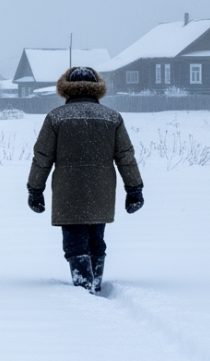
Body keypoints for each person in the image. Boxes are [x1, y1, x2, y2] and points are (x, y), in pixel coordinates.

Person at [26, 67, 144, 293]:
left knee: (74, 242)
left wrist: (35, 189)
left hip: (68, 191)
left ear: (66, 89)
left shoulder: (56, 118)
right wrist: (134, 188)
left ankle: (83, 288)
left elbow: (42, 158)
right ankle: (94, 283)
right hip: (101, 190)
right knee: (96, 239)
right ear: (97, 89)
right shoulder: (112, 117)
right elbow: (125, 157)